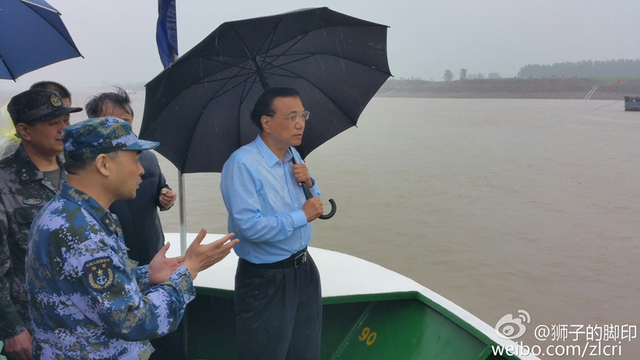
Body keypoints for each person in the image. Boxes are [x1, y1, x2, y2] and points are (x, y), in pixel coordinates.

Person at [25, 117, 239, 359]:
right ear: (104, 164)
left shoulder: (66, 212)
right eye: (135, 158)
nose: (141, 170)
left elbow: (86, 288)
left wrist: (147, 275)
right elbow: (134, 320)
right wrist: (188, 271)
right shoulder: (82, 232)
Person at [220, 87, 324, 360]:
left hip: (304, 270)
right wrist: (301, 216)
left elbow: (315, 203)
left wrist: (309, 182)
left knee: (305, 351)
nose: (300, 123)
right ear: (266, 122)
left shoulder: (294, 156)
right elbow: (248, 228)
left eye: (303, 115)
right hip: (266, 279)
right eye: (291, 117)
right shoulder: (242, 164)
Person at [85, 89, 180, 360]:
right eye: (113, 122)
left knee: (165, 337)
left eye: (126, 122)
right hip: (114, 271)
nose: (122, 129)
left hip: (154, 260)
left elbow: (162, 191)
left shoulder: (147, 158)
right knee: (128, 336)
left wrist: (167, 198)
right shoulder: (86, 169)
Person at [0, 89, 82, 360]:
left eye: (65, 121)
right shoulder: (4, 182)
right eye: (52, 123)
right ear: (24, 130)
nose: (63, 129)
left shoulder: (81, 171)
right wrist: (11, 329)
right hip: (33, 325)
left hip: (84, 316)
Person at [0, 81, 74, 160]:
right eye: (54, 122)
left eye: (66, 118)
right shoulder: (10, 153)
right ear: (24, 130)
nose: (64, 128)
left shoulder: (70, 152)